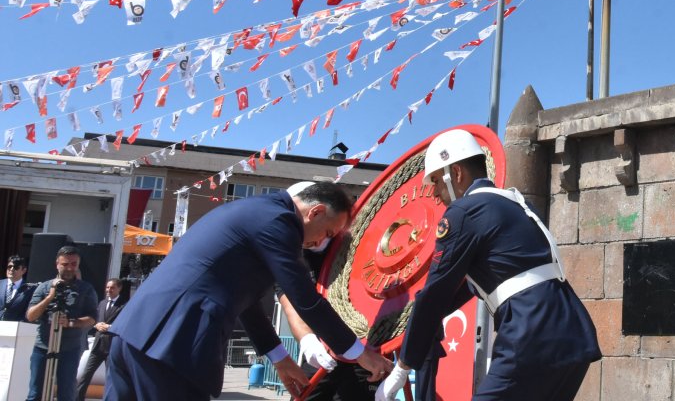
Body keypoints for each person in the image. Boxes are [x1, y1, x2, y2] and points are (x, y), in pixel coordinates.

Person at [105, 182, 393, 401]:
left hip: (136, 335)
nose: (321, 242)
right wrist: (359, 352)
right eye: (328, 233)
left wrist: (280, 358)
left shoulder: (255, 212)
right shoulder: (279, 222)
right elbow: (305, 299)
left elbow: (247, 302)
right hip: (172, 343)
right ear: (315, 211)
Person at [377, 129, 601, 401]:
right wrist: (413, 323)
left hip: (530, 331)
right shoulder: (515, 203)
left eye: (436, 181)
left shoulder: (463, 212)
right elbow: (474, 286)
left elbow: (436, 294)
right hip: (571, 330)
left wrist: (403, 367)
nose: (435, 193)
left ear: (456, 173)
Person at [278, 181, 376, 401]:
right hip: (321, 349)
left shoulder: (353, 243)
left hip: (362, 347)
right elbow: (288, 298)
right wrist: (307, 339)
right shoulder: (287, 247)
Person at [26, 246, 99, 401]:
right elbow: (31, 316)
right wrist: (49, 297)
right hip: (43, 347)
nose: (69, 268)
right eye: (65, 264)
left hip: (69, 349)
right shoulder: (44, 287)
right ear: (57, 264)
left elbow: (92, 319)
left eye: (73, 264)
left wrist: (70, 323)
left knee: (66, 394)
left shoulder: (85, 288)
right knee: (35, 394)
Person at [76, 278, 125, 401]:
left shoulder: (124, 305)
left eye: (112, 287)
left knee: (110, 377)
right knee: (85, 375)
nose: (109, 290)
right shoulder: (102, 303)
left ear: (119, 288)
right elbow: (96, 318)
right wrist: (96, 325)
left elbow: (125, 323)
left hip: (112, 345)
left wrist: (110, 327)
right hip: (98, 345)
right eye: (107, 287)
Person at [3, 255, 36, 322]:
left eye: (16, 267)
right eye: (9, 267)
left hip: (16, 328)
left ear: (24, 270)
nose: (11, 269)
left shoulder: (30, 289)